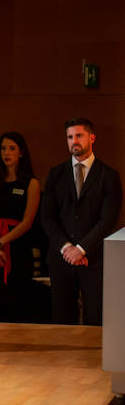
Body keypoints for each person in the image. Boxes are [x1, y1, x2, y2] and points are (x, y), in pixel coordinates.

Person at [40, 118, 122, 325]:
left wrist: (82, 249)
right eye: (69, 137)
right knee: (61, 321)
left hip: (93, 260)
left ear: (91, 138)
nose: (74, 141)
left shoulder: (109, 176)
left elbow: (108, 219)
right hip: (61, 259)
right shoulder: (55, 174)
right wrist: (68, 249)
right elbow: (47, 217)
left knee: (95, 319)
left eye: (79, 136)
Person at [0, 132, 41, 321]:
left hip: (17, 248)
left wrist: (1, 243)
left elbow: (27, 222)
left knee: (18, 303)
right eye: (3, 148)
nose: (7, 153)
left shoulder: (31, 183)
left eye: (12, 148)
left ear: (21, 152)